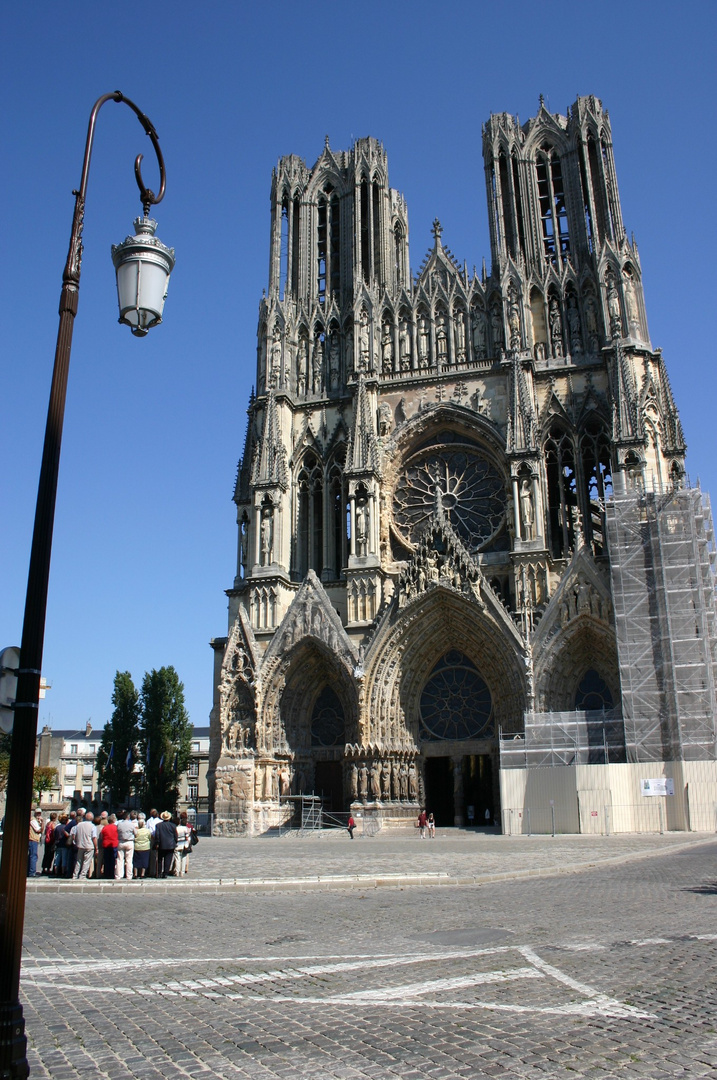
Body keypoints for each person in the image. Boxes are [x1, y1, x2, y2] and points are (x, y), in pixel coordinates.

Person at [71, 812, 98, 879]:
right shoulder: (92, 826)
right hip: (89, 845)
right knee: (86, 862)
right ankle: (82, 875)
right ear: (92, 818)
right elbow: (94, 837)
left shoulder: (79, 825)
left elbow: (74, 835)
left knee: (78, 861)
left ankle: (75, 875)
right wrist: (96, 847)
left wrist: (76, 842)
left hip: (80, 845)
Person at [154, 811, 178, 878]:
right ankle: (165, 873)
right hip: (170, 845)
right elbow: (175, 835)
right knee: (168, 860)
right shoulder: (173, 826)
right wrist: (175, 842)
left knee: (159, 860)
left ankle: (159, 873)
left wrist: (157, 843)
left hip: (161, 844)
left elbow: (157, 835)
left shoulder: (158, 825)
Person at [115, 811, 136, 879]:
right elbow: (135, 833)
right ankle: (129, 875)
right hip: (129, 841)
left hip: (121, 841)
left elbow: (117, 831)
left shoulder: (119, 824)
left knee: (119, 859)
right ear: (128, 817)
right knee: (129, 860)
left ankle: (118, 875)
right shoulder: (131, 824)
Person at [132, 815, 152, 879]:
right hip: (145, 847)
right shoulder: (147, 831)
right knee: (144, 860)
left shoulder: (136, 831)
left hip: (137, 847)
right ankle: (142, 874)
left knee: (135, 861)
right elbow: (149, 838)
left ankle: (135, 874)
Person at [100, 814, 119, 879]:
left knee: (106, 860)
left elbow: (102, 836)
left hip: (106, 844)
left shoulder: (105, 827)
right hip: (114, 844)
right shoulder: (116, 827)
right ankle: (112, 873)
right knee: (113, 860)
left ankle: (106, 873)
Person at [28, 810, 43, 878]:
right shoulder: (33, 820)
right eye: (38, 813)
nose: (39, 815)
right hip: (33, 839)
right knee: (33, 856)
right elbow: (39, 830)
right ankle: (32, 872)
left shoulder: (35, 821)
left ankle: (31, 871)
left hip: (33, 839)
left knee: (32, 856)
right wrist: (42, 823)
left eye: (40, 813)